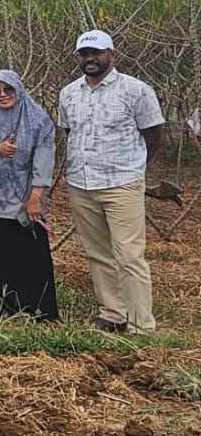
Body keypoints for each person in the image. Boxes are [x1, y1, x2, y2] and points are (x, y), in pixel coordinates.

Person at [58, 30, 165, 333]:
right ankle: (113, 313)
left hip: (122, 184)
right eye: (84, 54)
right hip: (81, 184)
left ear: (112, 55)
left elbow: (154, 134)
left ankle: (140, 325)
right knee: (98, 253)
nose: (90, 59)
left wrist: (136, 166)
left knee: (130, 255)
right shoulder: (69, 93)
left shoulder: (136, 90)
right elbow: (70, 132)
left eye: (97, 53)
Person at [0, 70, 58, 322]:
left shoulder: (38, 120)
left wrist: (35, 197)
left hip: (24, 195)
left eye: (8, 89)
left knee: (27, 254)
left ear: (18, 90)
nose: (2, 95)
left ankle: (34, 309)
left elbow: (44, 159)